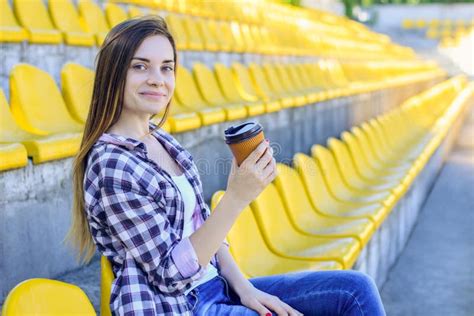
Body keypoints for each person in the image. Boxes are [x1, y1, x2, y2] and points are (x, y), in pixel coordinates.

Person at [67, 16, 386, 316]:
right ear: (114, 73)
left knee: (355, 289)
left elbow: (205, 229)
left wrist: (244, 288)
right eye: (140, 66)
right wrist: (236, 199)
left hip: (215, 286)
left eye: (167, 68)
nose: (158, 79)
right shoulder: (111, 165)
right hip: (178, 305)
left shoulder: (164, 142)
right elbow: (169, 275)